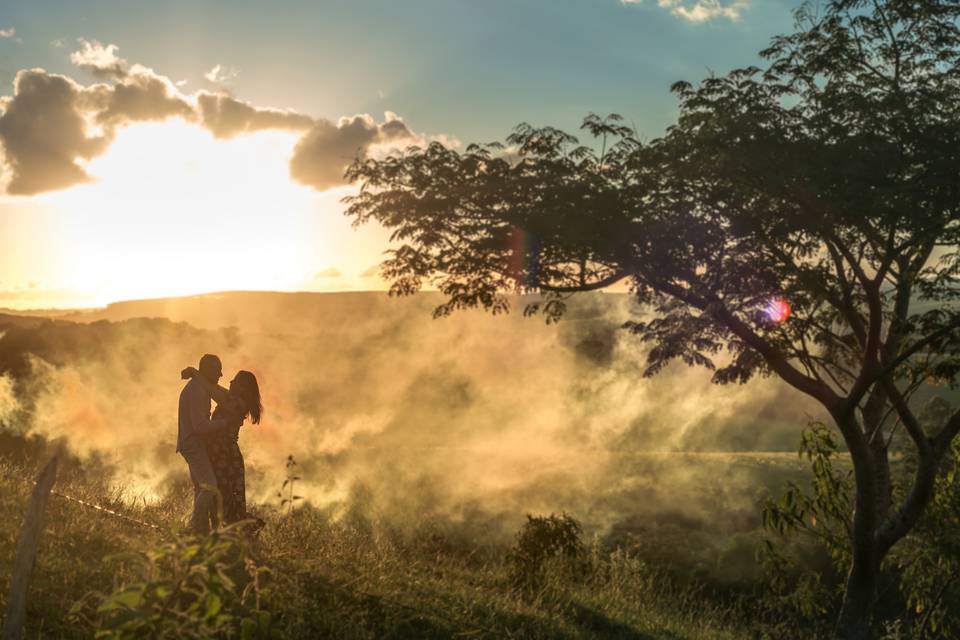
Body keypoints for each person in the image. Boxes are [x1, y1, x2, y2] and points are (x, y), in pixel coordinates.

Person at [181, 365, 263, 527]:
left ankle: (231, 529)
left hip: (225, 456)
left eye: (235, 380)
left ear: (242, 387)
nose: (230, 381)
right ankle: (212, 531)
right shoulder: (232, 398)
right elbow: (215, 387)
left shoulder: (236, 403)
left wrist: (196, 373)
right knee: (217, 494)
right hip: (220, 452)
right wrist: (198, 374)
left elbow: (212, 391)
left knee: (222, 495)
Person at [177, 354, 242, 534]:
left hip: (191, 442)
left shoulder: (201, 387)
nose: (221, 374)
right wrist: (226, 423)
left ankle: (200, 530)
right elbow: (200, 426)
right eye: (218, 369)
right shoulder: (198, 390)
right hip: (193, 443)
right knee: (210, 486)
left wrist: (195, 373)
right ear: (208, 369)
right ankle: (194, 526)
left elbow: (217, 391)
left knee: (201, 487)